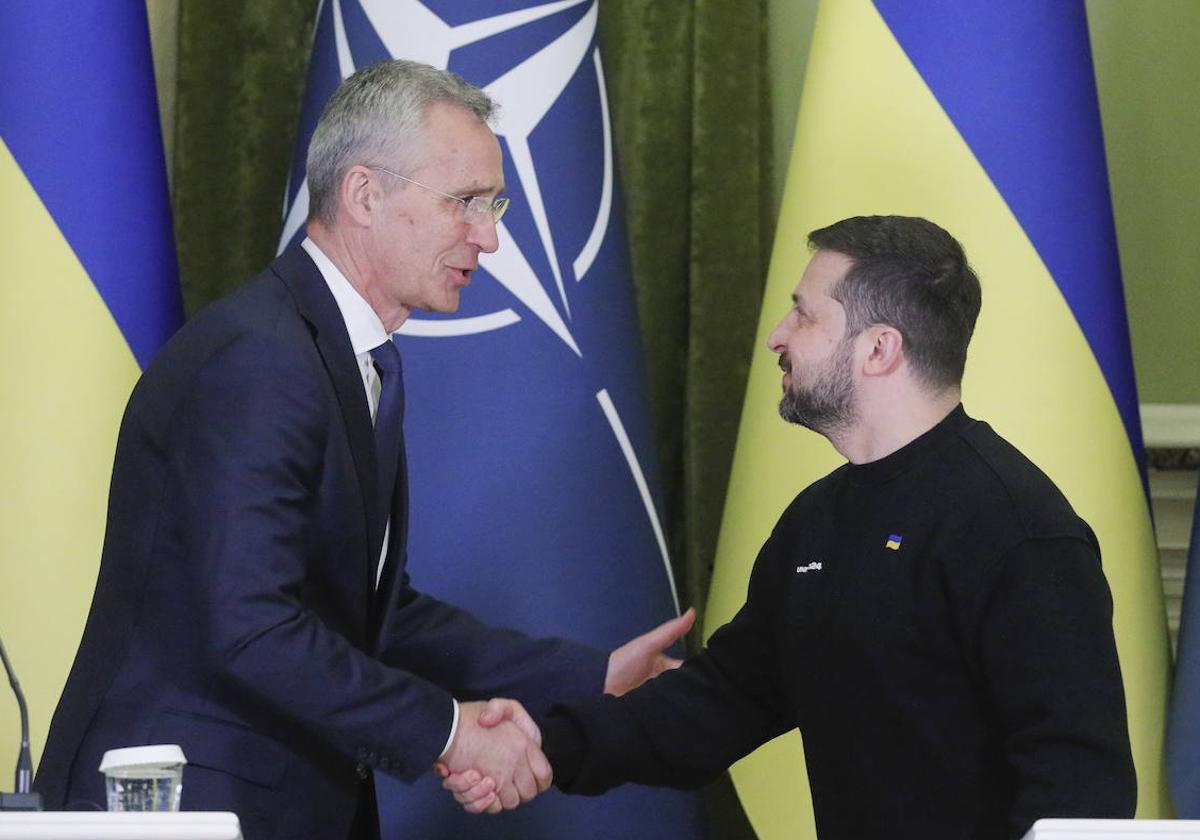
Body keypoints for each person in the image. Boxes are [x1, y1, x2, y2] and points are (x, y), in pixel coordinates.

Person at [33, 59, 693, 840]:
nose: (488, 235)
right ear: (364, 194)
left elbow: (374, 612)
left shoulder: (351, 358)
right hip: (179, 800)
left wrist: (585, 675)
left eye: (495, 203)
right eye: (466, 203)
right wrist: (450, 732)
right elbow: (254, 625)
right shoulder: (261, 359)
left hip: (281, 801)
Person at [446, 215, 1137, 838]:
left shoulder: (1019, 531)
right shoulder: (818, 520)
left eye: (803, 316)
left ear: (878, 350)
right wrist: (542, 739)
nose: (777, 336)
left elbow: (1080, 790)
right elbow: (721, 701)